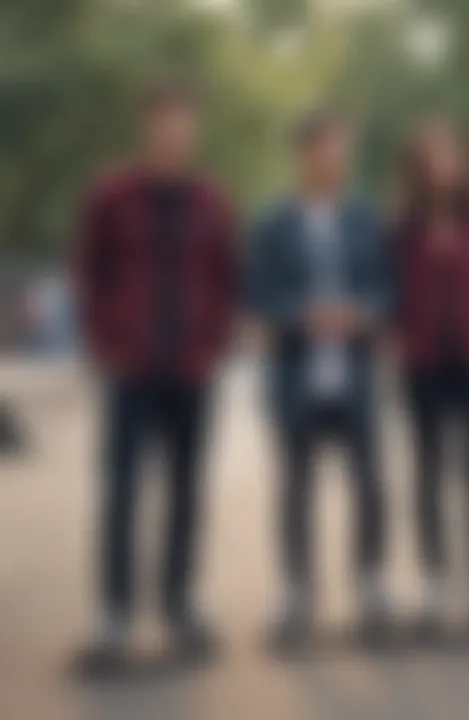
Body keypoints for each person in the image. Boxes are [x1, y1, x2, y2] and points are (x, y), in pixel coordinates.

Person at [74, 79, 238, 664]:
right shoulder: (112, 194)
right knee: (121, 492)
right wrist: (100, 342)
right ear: (146, 126)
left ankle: (180, 603)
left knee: (186, 493)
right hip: (133, 367)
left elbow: (226, 276)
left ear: (196, 129)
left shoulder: (212, 200)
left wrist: (216, 343)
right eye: (164, 120)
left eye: (185, 121)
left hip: (192, 368)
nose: (174, 131)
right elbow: (88, 271)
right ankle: (115, 613)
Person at [249, 109, 391, 649]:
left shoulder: (366, 219)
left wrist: (364, 312)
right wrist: (300, 314)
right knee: (296, 490)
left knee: (371, 485)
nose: (338, 158)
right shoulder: (272, 222)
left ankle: (371, 583)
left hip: (354, 373)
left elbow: (385, 283)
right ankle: (297, 590)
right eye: (328, 148)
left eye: (345, 148)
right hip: (295, 373)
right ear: (304, 155)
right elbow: (257, 292)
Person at [392, 119, 469, 643]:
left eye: (452, 155)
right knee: (429, 472)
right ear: (419, 167)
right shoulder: (401, 230)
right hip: (422, 365)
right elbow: (386, 292)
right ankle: (436, 584)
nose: (443, 165)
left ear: (466, 163)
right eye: (432, 156)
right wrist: (393, 334)